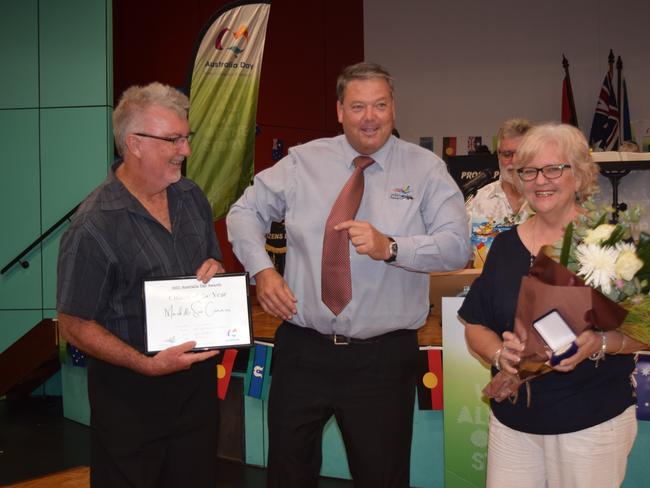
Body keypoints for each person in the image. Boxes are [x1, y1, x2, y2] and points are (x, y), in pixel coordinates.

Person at [227, 61, 469, 487]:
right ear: (340, 111)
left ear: (394, 108)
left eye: (379, 104)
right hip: (302, 350)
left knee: (381, 476)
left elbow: (456, 247)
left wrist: (392, 247)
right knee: (287, 473)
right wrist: (262, 271)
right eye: (358, 106)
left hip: (381, 358)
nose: (369, 116)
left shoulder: (426, 169)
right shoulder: (302, 162)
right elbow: (244, 212)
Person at [57, 82, 224, 487]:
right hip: (129, 397)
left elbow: (213, 261)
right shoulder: (94, 225)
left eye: (186, 137)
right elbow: (74, 323)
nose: (185, 149)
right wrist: (147, 365)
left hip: (196, 393)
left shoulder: (191, 197)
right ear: (134, 144)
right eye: (173, 139)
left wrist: (215, 270)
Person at [458, 123, 644, 487]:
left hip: (590, 423)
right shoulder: (505, 247)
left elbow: (645, 331)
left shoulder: (607, 242)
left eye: (554, 168)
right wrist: (499, 356)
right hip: (513, 425)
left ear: (579, 175)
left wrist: (601, 343)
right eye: (529, 170)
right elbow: (476, 325)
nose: (540, 180)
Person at [465, 118, 533, 267]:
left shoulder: (547, 200)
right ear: (498, 156)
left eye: (521, 153)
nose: (514, 161)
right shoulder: (477, 201)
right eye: (507, 154)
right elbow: (465, 262)